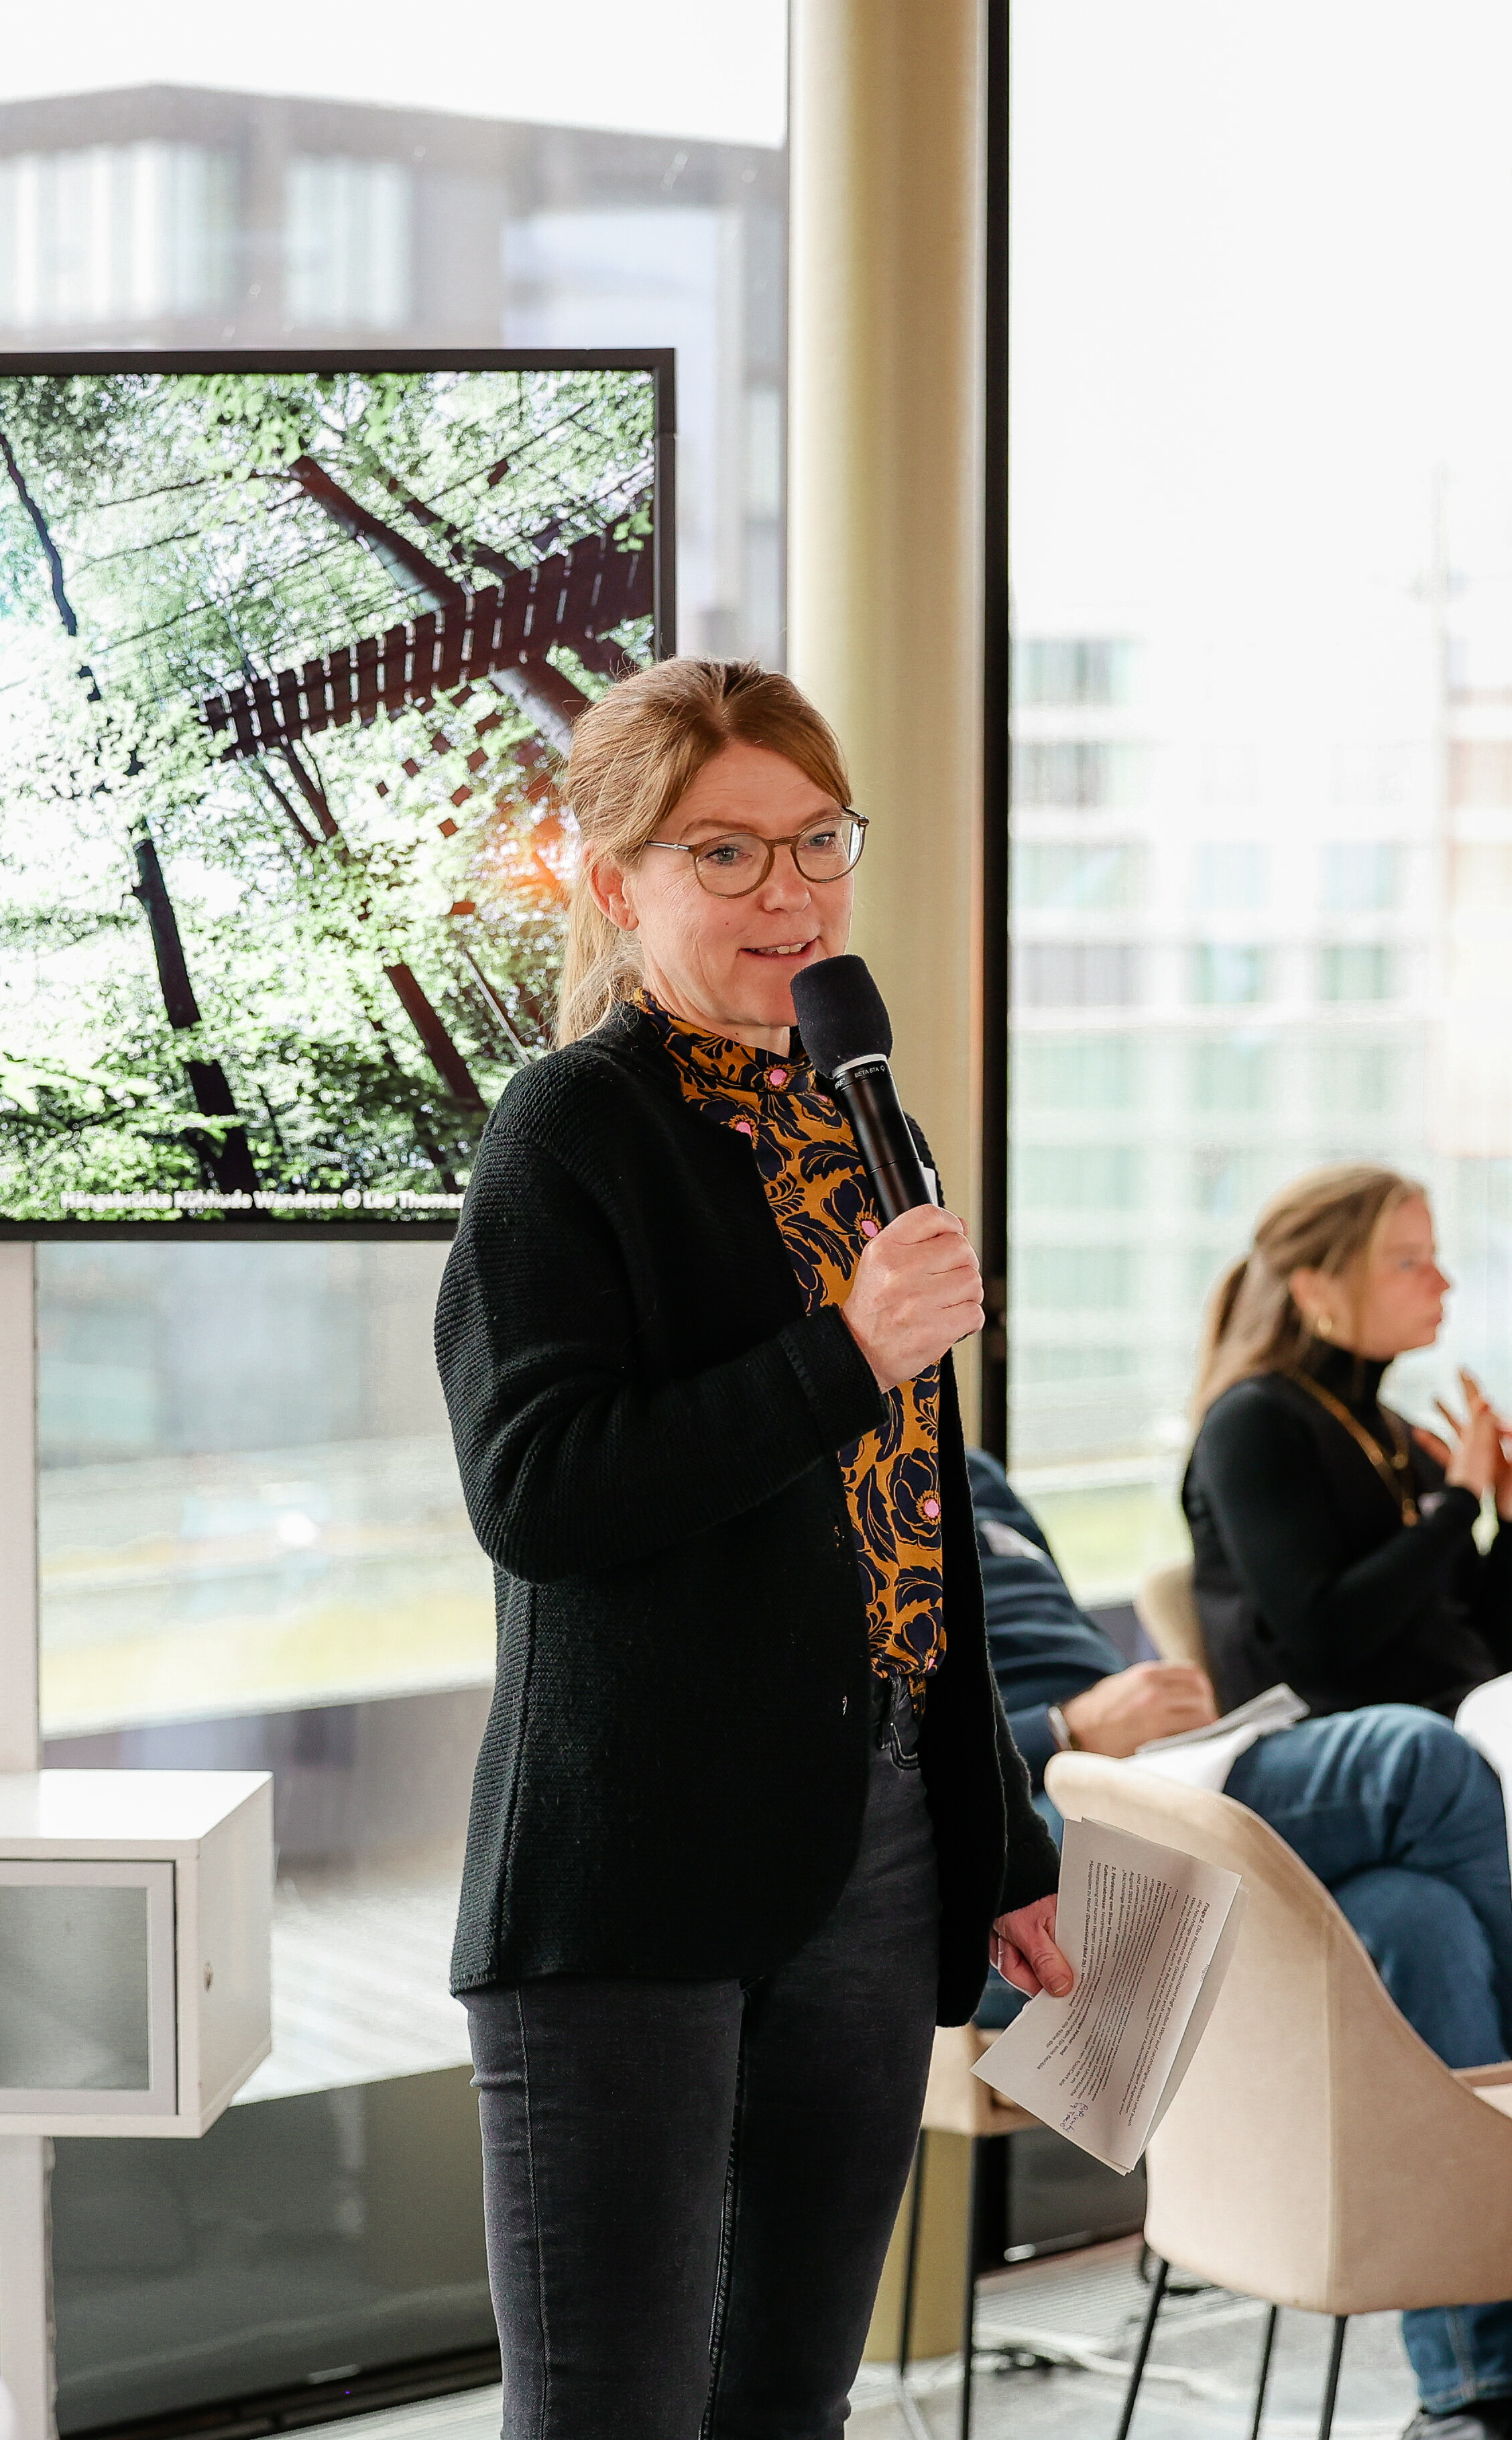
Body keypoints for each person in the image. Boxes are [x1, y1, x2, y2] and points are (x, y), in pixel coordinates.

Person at [434, 658, 1067, 2439]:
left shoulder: (868, 1123)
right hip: (633, 1859)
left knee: (785, 2404)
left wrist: (991, 1832)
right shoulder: (569, 1131)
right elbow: (541, 1493)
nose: (787, 896)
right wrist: (841, 1349)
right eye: (725, 854)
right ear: (613, 878)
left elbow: (917, 1527)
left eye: (815, 845)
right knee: (611, 2415)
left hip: (861, 1848)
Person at [972, 1448, 1512, 2440]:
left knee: (1420, 1918)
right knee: (1422, 1760)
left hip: (1145, 1777)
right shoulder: (820, 1469)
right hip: (1012, 1831)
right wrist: (1064, 1726)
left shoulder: (964, 1465)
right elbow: (849, 1757)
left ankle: (1475, 2398)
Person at [1184, 1164, 1512, 1721]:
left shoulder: (1398, 1435)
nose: (1442, 1281)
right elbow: (1326, 1641)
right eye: (1408, 1261)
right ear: (1314, 1290)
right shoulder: (1252, 1423)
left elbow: (1490, 1659)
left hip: (1436, 1739)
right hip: (1322, 1746)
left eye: (1433, 1255)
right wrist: (1460, 1500)